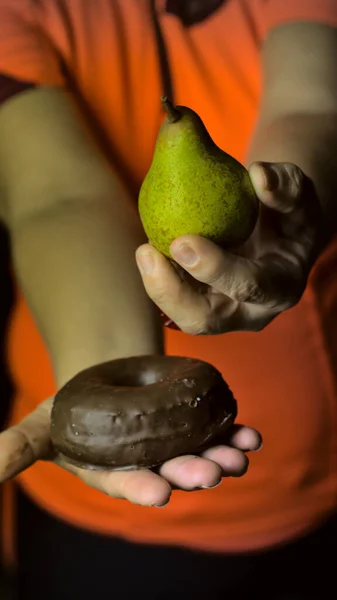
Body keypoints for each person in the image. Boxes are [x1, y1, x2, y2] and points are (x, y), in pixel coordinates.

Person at [0, 0, 337, 598]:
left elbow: (313, 103)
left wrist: (289, 202)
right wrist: (107, 408)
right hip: (106, 533)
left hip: (324, 476)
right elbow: (58, 195)